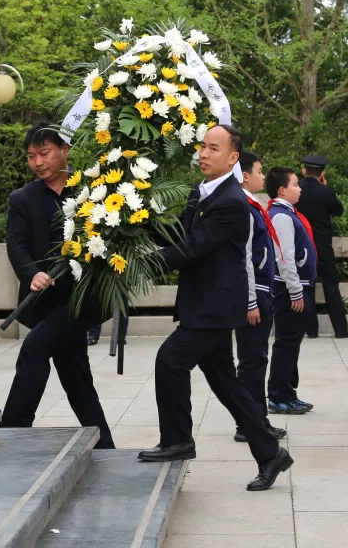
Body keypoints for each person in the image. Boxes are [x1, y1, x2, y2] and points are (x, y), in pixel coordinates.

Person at [139, 125, 294, 492]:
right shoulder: (202, 191)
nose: (204, 154)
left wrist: (144, 264)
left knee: (170, 361)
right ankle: (270, 453)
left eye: (213, 148)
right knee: (227, 384)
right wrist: (138, 220)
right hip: (204, 302)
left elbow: (192, 248)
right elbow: (179, 233)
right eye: (202, 147)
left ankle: (178, 440)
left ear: (233, 157)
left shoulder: (232, 201)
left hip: (215, 305)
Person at [0, 124, 114, 448]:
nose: (37, 162)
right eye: (31, 156)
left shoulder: (94, 192)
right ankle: (104, 444)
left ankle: (12, 431)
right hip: (44, 300)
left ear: (64, 149)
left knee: (34, 349)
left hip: (82, 300)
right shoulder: (22, 199)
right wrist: (31, 273)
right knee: (76, 375)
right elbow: (16, 244)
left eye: (44, 153)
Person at [234, 150, 287, 443]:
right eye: (259, 170)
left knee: (258, 360)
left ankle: (258, 420)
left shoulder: (254, 205)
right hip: (254, 296)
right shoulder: (244, 206)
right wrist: (251, 302)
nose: (263, 176)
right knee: (252, 363)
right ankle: (248, 424)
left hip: (263, 292)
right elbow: (245, 259)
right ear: (244, 175)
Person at [265, 166, 317, 416]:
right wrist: (295, 291)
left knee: (292, 342)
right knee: (286, 343)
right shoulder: (282, 216)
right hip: (288, 290)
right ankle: (278, 395)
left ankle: (288, 392)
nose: (300, 188)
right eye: (295, 184)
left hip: (294, 287)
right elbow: (284, 256)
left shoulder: (287, 213)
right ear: (282, 189)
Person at [296, 155, 348, 338]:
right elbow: (338, 210)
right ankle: (340, 330)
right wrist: (325, 188)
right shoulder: (325, 191)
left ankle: (311, 330)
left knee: (307, 286)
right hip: (323, 245)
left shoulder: (295, 191)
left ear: (304, 172)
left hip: (302, 245)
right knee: (331, 285)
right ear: (322, 173)